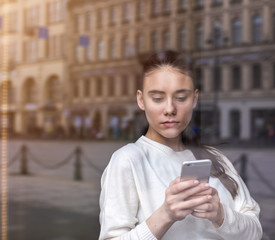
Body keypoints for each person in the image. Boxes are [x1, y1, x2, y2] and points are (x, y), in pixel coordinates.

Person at [99, 51, 262, 240]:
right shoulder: (128, 159)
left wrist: (221, 215)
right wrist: (165, 214)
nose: (170, 109)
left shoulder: (216, 158)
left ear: (194, 99)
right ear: (141, 100)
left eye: (181, 97)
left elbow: (255, 232)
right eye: (158, 98)